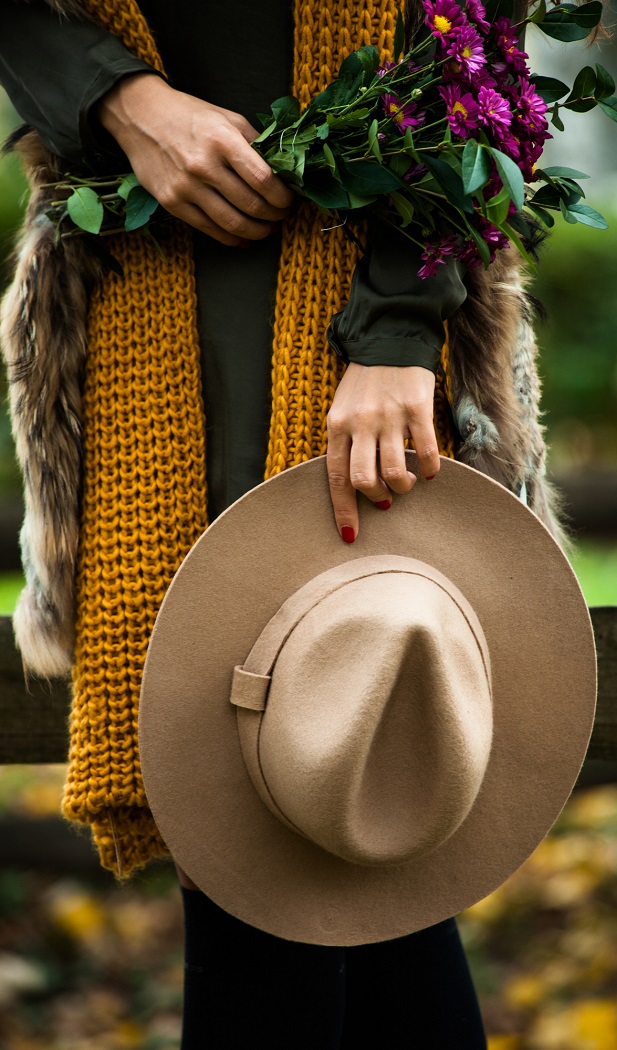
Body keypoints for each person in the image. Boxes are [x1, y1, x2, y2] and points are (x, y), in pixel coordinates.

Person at [0, 0, 560, 1044]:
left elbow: (477, 46)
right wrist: (120, 99)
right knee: (291, 805)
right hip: (151, 302)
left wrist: (398, 324)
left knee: (332, 767)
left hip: (366, 306)